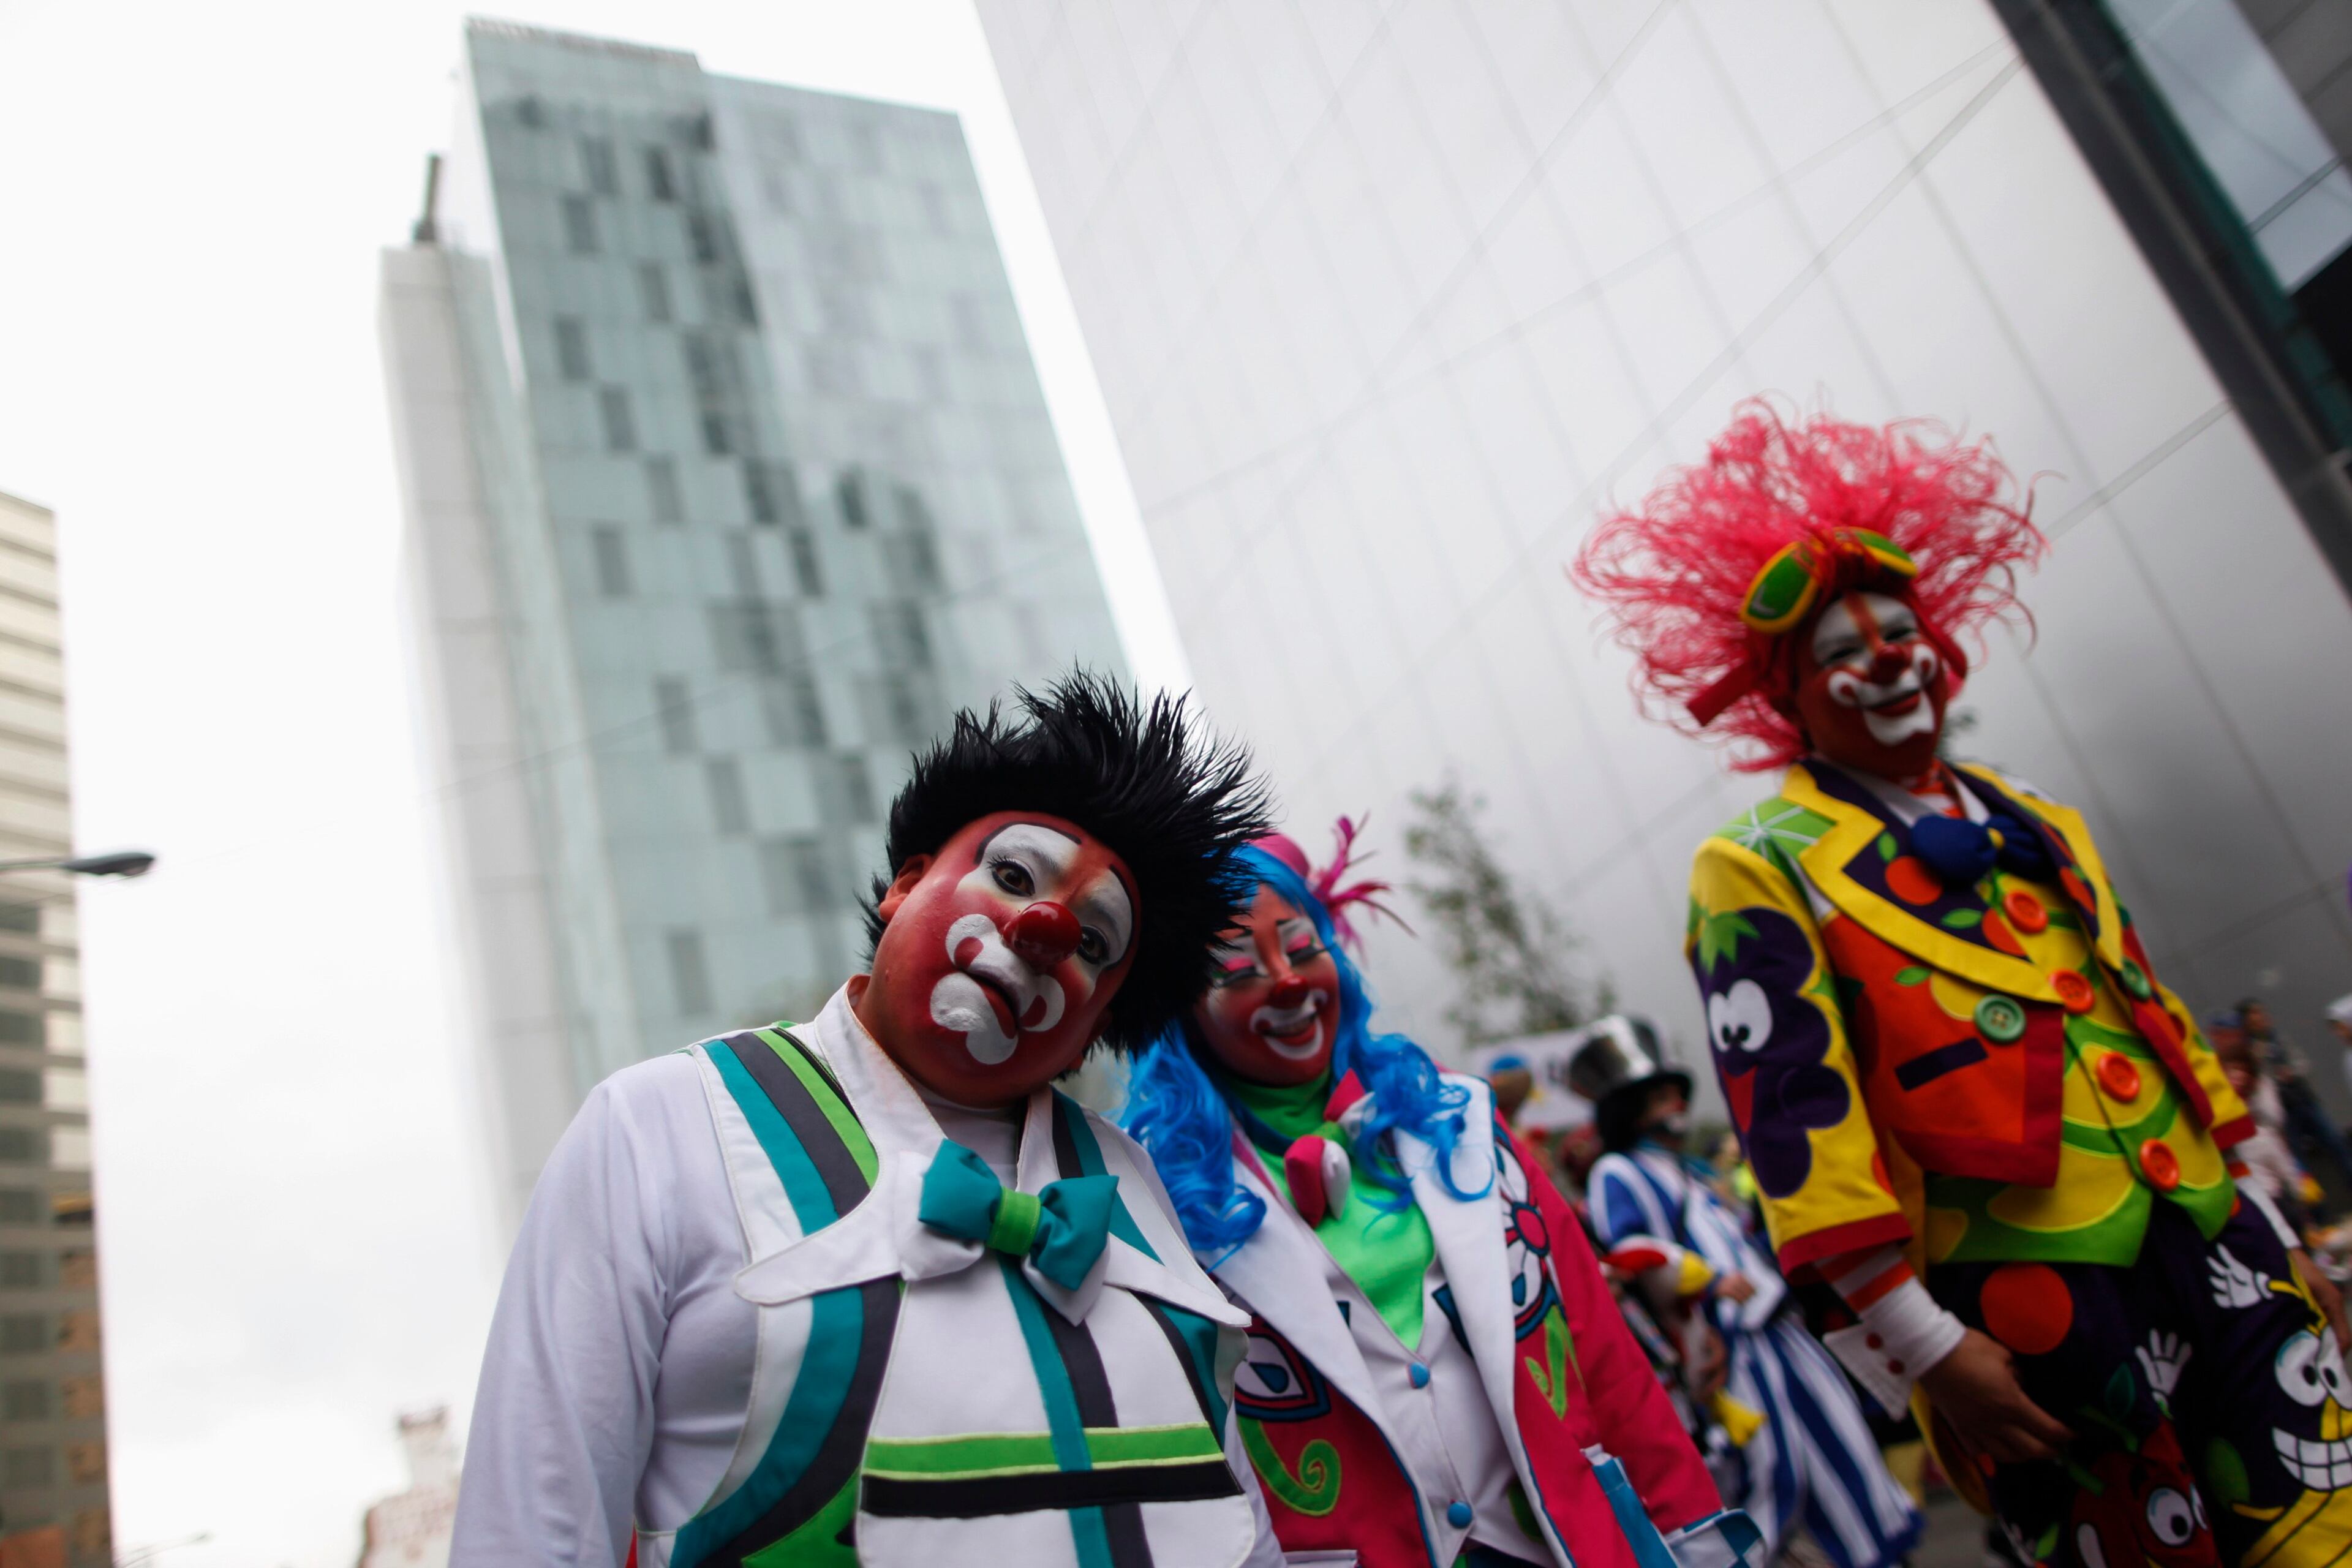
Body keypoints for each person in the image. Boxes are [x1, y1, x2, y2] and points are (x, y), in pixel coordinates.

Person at [1573, 401, 2352, 1565]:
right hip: (2032, 1307)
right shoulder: (1760, 865)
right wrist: (1926, 1348)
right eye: (1841, 653)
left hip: (2213, 1233)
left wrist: (2271, 1226)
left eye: (1901, 633)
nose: (1887, 660)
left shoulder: (2042, 815)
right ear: (1790, 701)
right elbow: (1802, 1138)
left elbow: (2159, 1027)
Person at [452, 675, 1283, 1568]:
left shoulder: (1133, 1183)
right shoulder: (659, 1127)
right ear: (907, 884)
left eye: (1092, 944)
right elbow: (529, 1531)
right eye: (1010, 875)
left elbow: (1234, 1514)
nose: (1041, 928)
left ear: (1094, 1030)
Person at [1121, 823, 1757, 1568]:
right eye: (1237, 972)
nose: (1288, 981)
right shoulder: (1163, 1202)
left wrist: (1694, 1528)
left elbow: (1599, 1346)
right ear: (1182, 1012)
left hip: (1564, 1539)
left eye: (1301, 949)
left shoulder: (1462, 1122)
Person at [1573, 1028, 1921, 1568]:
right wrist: (1708, 1280)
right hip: (1730, 1351)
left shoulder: (1690, 1169)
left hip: (1779, 1334)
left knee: (1844, 1449)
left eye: (1676, 1094)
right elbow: (1632, 1253)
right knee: (1769, 1476)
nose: (1678, 1106)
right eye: (1662, 1097)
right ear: (1635, 1110)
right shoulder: (1618, 1172)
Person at [2244, 997, 2352, 1199]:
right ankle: (2314, 1209)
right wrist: (2275, 1079)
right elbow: (2259, 1086)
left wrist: (2293, 1071)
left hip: (2304, 1100)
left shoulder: (2279, 1039)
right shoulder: (2252, 1052)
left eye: (2261, 1014)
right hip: (2284, 1112)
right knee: (2297, 1164)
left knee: (2336, 1143)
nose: (2260, 1020)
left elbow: (2303, 1064)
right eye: (2254, 1017)